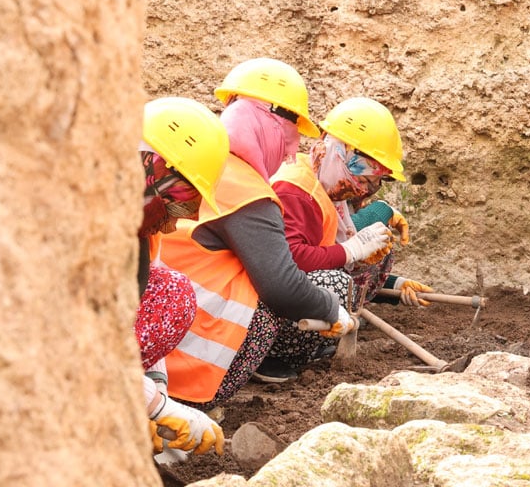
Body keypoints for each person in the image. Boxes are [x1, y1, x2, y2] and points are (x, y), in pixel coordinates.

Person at [157, 59, 365, 408]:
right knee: (264, 318)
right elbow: (281, 283)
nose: (289, 152)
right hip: (180, 347)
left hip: (153, 327)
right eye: (290, 139)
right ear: (267, 123)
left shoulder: (207, 165)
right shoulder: (250, 191)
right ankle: (189, 406)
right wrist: (333, 309)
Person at [265, 97, 433, 377]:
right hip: (268, 309)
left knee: (378, 246)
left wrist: (395, 286)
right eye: (365, 181)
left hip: (288, 294)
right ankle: (280, 357)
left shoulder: (326, 185)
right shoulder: (294, 190)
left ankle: (326, 332)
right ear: (340, 156)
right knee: (335, 282)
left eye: (374, 185)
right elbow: (290, 261)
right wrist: (351, 250)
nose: (365, 192)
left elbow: (328, 250)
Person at [137, 97, 229, 459]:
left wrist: (156, 388)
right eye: (179, 201)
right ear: (156, 170)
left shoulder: (140, 234)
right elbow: (71, 345)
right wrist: (158, 406)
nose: (175, 221)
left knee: (168, 287)